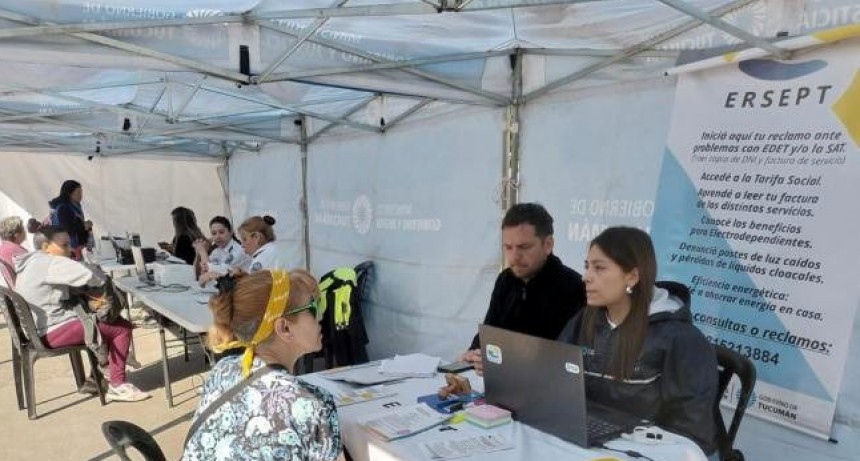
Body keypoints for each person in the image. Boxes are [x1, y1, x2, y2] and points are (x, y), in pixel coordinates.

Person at [557, 226, 718, 454]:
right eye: (587, 266)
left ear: (632, 276)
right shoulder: (585, 320)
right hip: (585, 437)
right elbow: (555, 379)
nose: (586, 277)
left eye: (599, 268)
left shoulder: (681, 339)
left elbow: (691, 431)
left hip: (643, 449)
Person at [182, 269, 344, 461]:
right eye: (313, 307)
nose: (321, 316)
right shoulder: (313, 405)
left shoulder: (223, 369)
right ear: (284, 328)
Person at [14, 226, 150, 402]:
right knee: (121, 328)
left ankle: (96, 379)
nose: (70, 249)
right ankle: (117, 384)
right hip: (51, 332)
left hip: (37, 331)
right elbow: (92, 276)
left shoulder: (32, 262)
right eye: (64, 245)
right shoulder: (50, 263)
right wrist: (94, 271)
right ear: (46, 247)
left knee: (101, 322)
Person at [461, 203, 586, 374]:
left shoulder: (574, 287)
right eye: (508, 247)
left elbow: (566, 359)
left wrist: (503, 361)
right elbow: (489, 332)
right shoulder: (505, 280)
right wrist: (474, 353)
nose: (514, 257)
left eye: (524, 247)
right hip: (501, 381)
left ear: (548, 244)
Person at [195, 216, 251, 285]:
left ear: (231, 232)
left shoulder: (238, 251)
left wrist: (202, 252)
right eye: (214, 233)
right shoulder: (216, 251)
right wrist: (198, 254)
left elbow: (207, 272)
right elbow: (200, 274)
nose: (217, 237)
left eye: (221, 232)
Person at [49, 179, 92, 260]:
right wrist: (84, 226)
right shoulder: (63, 208)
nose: (81, 195)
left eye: (81, 192)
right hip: (68, 249)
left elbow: (75, 222)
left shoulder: (74, 205)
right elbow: (65, 229)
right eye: (78, 192)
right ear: (69, 193)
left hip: (77, 248)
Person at [0, 216, 28, 287]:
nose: (25, 231)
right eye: (23, 228)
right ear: (16, 234)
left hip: (16, 289)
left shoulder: (3, 249)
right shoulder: (16, 251)